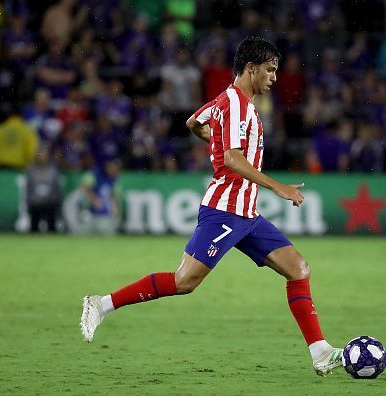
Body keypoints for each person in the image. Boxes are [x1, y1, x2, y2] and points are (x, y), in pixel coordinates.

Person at [80, 37, 343, 376]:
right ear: (251, 69)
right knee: (184, 282)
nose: (274, 78)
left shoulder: (226, 101)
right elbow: (232, 158)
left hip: (247, 215)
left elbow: (192, 122)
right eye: (270, 70)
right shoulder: (235, 104)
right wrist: (278, 187)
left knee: (299, 269)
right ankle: (100, 305)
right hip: (224, 212)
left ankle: (320, 352)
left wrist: (212, 140)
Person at [25, 145, 63, 232]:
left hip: (50, 203)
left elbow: (57, 189)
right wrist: (31, 201)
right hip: (35, 203)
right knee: (34, 227)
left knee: (52, 225)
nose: (42, 157)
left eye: (44, 154)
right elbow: (28, 189)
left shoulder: (53, 170)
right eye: (40, 154)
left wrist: (55, 201)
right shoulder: (31, 170)